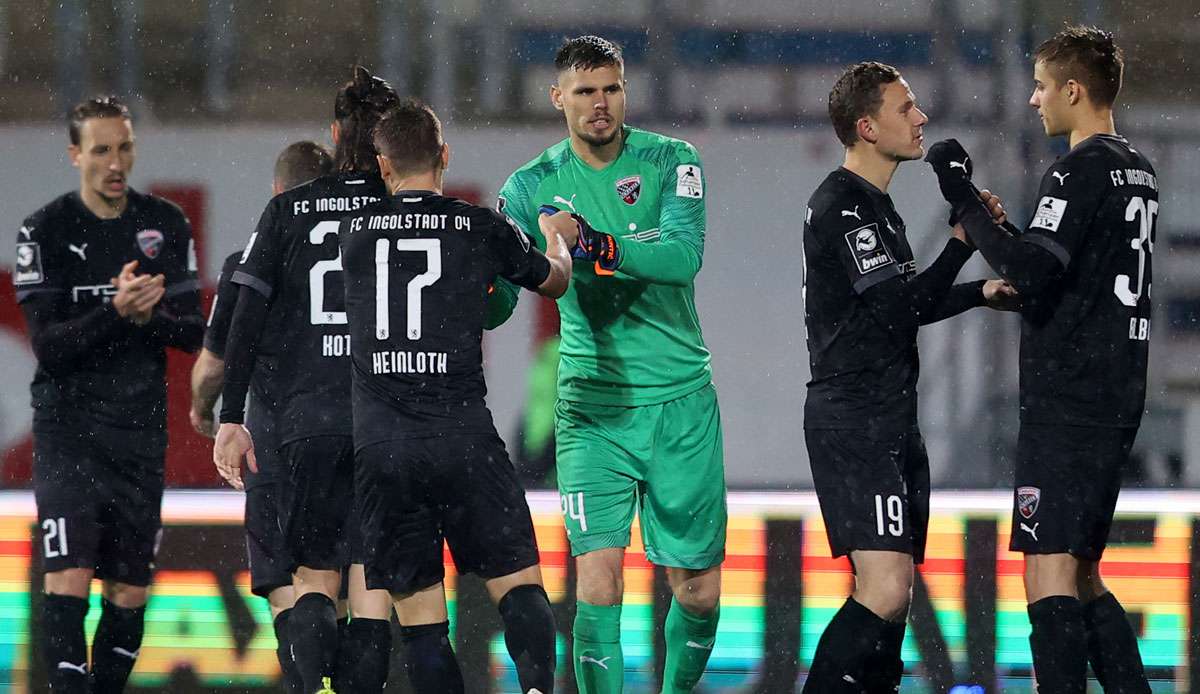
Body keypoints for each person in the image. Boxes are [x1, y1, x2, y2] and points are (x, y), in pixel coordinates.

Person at [925, 25, 1155, 693]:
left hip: (1070, 399)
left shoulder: (1078, 169)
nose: (1033, 100)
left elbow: (1032, 266)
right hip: (1113, 390)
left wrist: (961, 192)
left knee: (1047, 572)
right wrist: (1015, 287)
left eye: (1042, 86)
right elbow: (1067, 279)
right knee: (1082, 573)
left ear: (1073, 91)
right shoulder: (1135, 166)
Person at [499, 35, 726, 693]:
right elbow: (499, 304)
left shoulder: (673, 160)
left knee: (700, 591)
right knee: (597, 577)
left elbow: (682, 256)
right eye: (585, 92)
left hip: (681, 402)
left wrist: (593, 242)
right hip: (591, 407)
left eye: (611, 89)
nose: (601, 105)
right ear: (557, 99)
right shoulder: (528, 187)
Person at [341, 98, 573, 694]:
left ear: (385, 167)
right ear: (445, 155)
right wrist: (556, 239)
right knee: (518, 587)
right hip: (463, 439)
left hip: (384, 450)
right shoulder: (478, 226)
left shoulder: (353, 233)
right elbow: (553, 280)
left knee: (421, 627)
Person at [800, 61, 1016, 693]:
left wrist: (980, 290)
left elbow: (900, 305)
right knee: (886, 590)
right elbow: (902, 309)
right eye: (906, 108)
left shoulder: (878, 208)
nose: (921, 118)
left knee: (891, 601)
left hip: (890, 418)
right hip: (855, 417)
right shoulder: (841, 204)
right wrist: (963, 243)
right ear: (867, 127)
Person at [212, 67, 400, 694]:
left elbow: (242, 326)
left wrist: (230, 417)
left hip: (305, 423)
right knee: (373, 587)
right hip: (384, 420)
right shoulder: (406, 211)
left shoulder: (287, 210)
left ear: (334, 132)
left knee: (314, 585)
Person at [15, 95, 204, 693]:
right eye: (101, 149)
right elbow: (49, 345)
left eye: (124, 147)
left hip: (138, 433)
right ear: (75, 155)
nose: (115, 161)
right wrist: (115, 311)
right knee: (67, 576)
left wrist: (147, 319)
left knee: (129, 592)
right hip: (69, 431)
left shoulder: (166, 224)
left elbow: (194, 329)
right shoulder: (43, 231)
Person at [189, 140, 333, 693]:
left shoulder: (247, 264)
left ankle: (308, 686)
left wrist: (207, 413)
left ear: (276, 194)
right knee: (342, 590)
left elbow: (212, 366)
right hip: (347, 440)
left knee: (285, 591)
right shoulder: (367, 247)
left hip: (272, 447)